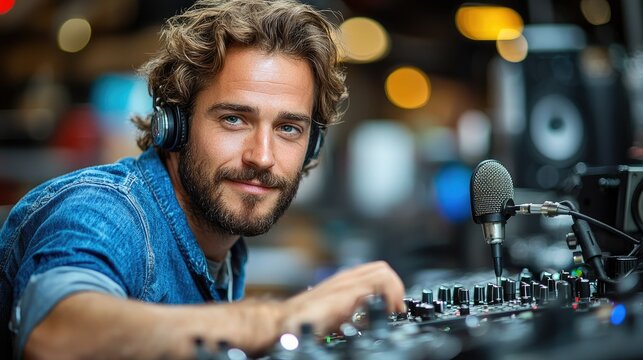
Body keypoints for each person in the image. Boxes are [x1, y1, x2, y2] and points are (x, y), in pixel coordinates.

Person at [0, 0, 406, 358]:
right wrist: (281, 318)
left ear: (312, 147)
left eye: (288, 129)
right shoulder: (104, 210)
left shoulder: (220, 246)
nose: (262, 157)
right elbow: (55, 336)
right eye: (234, 119)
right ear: (173, 126)